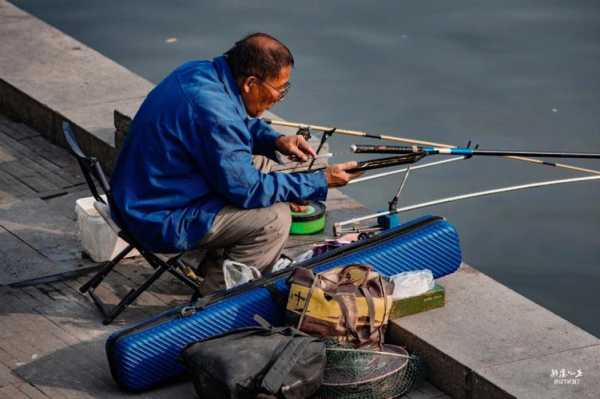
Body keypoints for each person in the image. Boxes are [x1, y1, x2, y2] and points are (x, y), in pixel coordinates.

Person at [110, 33, 360, 294]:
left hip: (137, 195)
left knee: (263, 167)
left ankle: (209, 262)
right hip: (154, 216)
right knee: (275, 219)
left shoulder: (201, 73)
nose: (279, 96)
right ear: (251, 83)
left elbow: (234, 128)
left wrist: (276, 140)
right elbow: (247, 189)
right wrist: (319, 181)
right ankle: (215, 302)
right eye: (279, 89)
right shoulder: (215, 111)